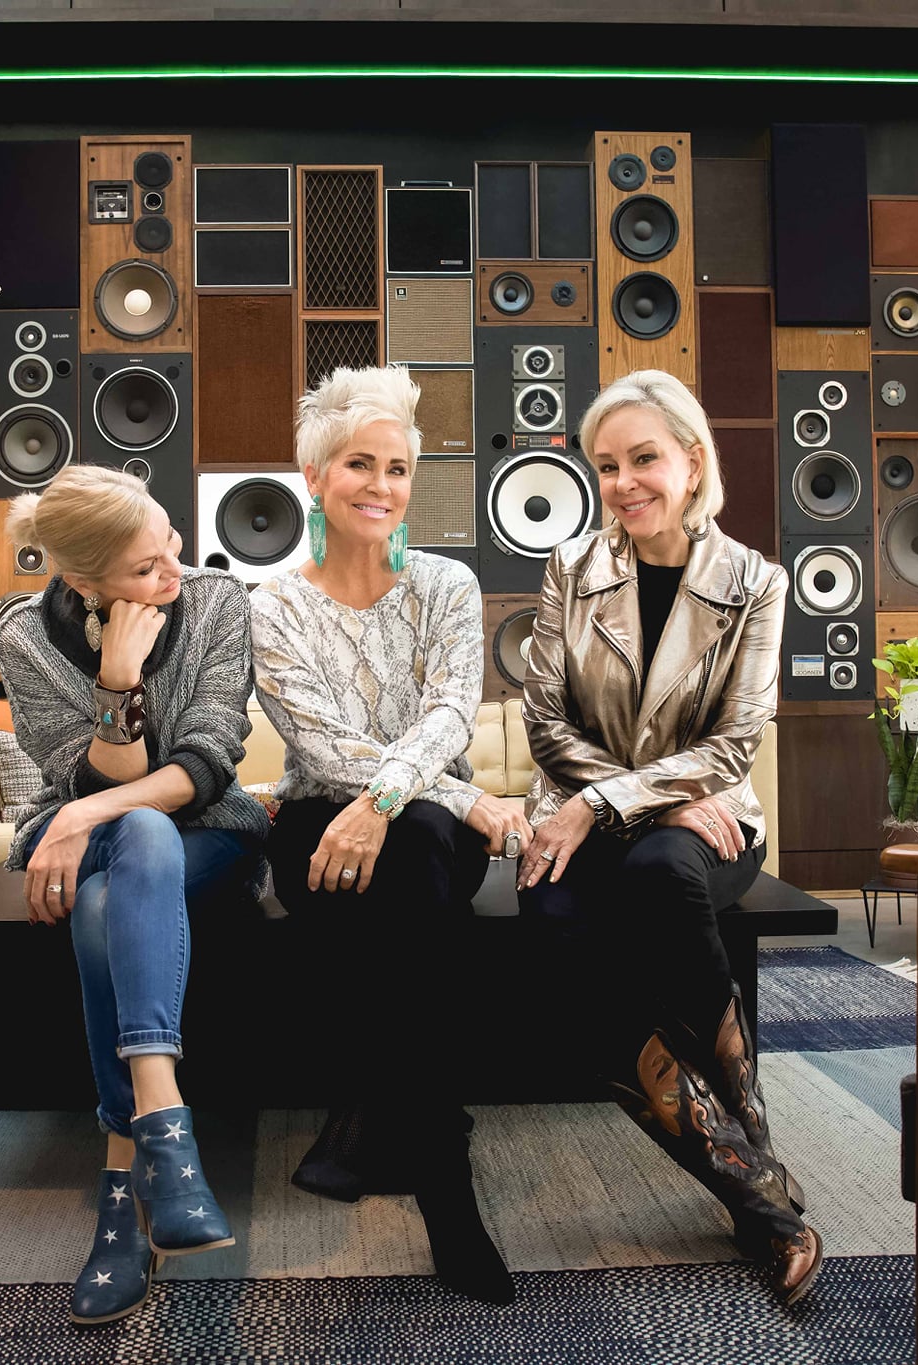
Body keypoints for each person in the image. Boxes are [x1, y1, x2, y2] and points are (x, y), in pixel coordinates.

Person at [517, 369, 823, 1306]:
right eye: (606, 465)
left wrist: (615, 803)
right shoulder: (571, 570)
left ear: (692, 461)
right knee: (554, 924)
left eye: (643, 458)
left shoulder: (757, 582)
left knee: (662, 871)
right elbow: (544, 721)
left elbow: (735, 743)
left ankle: (756, 1178)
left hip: (705, 821)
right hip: (588, 811)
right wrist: (632, 799)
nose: (623, 482)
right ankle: (755, 1180)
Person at [249, 365, 532, 1307]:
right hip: (319, 827)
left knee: (415, 847)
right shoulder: (272, 604)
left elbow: (453, 711)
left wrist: (394, 800)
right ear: (314, 477)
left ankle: (386, 1126)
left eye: (398, 468)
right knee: (418, 859)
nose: (380, 485)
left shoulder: (447, 584)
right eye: (359, 464)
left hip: (420, 832)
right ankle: (442, 1155)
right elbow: (320, 745)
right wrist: (454, 799)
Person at [0, 466, 268, 1326]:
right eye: (146, 567)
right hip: (87, 830)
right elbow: (92, 776)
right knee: (137, 832)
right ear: (83, 580)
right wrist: (117, 678)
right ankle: (167, 1128)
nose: (174, 571)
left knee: (114, 884)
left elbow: (205, 764)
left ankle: (125, 1178)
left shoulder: (218, 603)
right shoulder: (23, 636)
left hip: (206, 830)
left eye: (171, 542)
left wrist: (86, 813)